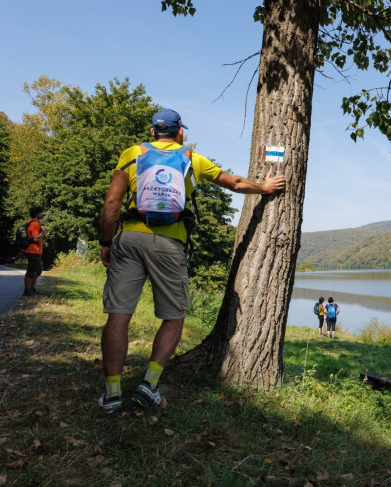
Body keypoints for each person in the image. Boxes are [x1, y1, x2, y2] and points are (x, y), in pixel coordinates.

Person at [97, 108, 286, 416]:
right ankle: (150, 385)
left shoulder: (131, 154)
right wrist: (264, 188)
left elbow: (112, 202)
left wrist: (106, 242)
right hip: (170, 244)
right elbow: (235, 183)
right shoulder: (191, 158)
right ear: (180, 132)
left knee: (118, 315)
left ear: (152, 132)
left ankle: (113, 393)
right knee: (173, 315)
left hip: (129, 240)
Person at [23, 205, 45, 297]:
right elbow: (36, 238)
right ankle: (27, 291)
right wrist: (43, 231)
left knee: (37, 270)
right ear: (36, 214)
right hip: (32, 250)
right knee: (31, 271)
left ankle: (31, 289)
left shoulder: (32, 222)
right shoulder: (35, 224)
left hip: (36, 251)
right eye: (41, 212)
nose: (43, 214)